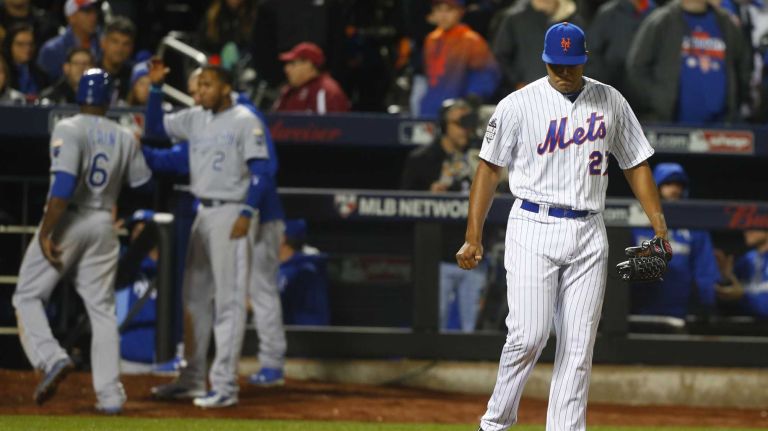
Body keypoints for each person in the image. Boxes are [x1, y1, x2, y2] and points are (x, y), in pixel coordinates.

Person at [456, 23, 669, 431]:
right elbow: (488, 170)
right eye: (556, 65)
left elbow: (636, 162)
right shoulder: (518, 104)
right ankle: (495, 423)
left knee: (577, 349)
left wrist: (659, 224)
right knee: (529, 335)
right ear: (545, 59)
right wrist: (473, 235)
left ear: (584, 60)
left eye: (571, 65)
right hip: (534, 224)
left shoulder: (611, 100)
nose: (564, 73)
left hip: (589, 230)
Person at [12, 68, 152, 413]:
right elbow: (142, 184)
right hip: (104, 221)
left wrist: (46, 232)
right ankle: (110, 396)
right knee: (102, 309)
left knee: (27, 295)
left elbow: (62, 188)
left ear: (80, 94)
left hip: (69, 218)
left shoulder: (68, 126)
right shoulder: (124, 134)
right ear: (108, 98)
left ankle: (51, 357)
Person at [145, 59, 271, 408]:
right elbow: (155, 129)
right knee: (195, 298)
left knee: (228, 302)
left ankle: (226, 385)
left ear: (225, 88)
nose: (199, 92)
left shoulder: (245, 120)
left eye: (207, 86)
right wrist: (155, 89)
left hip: (233, 210)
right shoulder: (195, 117)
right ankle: (192, 378)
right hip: (203, 212)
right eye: (198, 86)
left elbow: (261, 171)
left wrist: (247, 212)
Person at [402, 98, 484, 332]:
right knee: (431, 326)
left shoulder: (481, 159)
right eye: (460, 123)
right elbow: (401, 203)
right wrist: (429, 194)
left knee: (473, 329)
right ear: (443, 126)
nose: (465, 130)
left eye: (469, 124)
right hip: (435, 257)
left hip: (474, 255)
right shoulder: (422, 158)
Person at [626, 0, 751, 122]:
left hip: (721, 128)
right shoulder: (662, 21)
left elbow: (743, 68)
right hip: (671, 128)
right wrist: (658, 100)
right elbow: (637, 67)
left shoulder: (726, 23)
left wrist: (734, 103)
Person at [630, 163, 721, 320]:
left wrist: (706, 309)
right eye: (668, 183)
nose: (674, 189)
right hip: (636, 312)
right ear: (655, 186)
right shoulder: (635, 223)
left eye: (679, 185)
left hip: (680, 316)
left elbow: (705, 273)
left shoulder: (694, 228)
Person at [419, 0, 499, 118]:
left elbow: (486, 73)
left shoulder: (471, 40)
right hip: (430, 109)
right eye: (439, 10)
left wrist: (471, 98)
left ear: (460, 12)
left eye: (449, 10)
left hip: (458, 111)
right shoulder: (431, 40)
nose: (443, 15)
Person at [492, 0, 584, 93]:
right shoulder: (515, 18)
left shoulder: (574, 18)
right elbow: (501, 55)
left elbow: (585, 55)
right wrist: (517, 82)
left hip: (567, 91)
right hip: (528, 92)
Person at [586, 0, 656, 107]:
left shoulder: (657, 14)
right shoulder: (609, 13)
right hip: (612, 95)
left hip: (647, 98)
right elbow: (592, 52)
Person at [272, 42, 350, 114]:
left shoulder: (325, 90)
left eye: (293, 64)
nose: (287, 69)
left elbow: (332, 126)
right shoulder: (288, 91)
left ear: (309, 65)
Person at [278, 219, 330, 326]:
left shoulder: (300, 268)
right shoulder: (303, 262)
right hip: (295, 327)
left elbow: (271, 302)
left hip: (305, 332)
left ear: (283, 238)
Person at [37, 0, 101, 82]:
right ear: (72, 17)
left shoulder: (103, 44)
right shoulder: (52, 50)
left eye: (95, 11)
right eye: (87, 11)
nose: (93, 17)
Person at [716, 229, 768, 318]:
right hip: (745, 326)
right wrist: (726, 279)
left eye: (754, 226)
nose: (747, 231)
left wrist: (742, 296)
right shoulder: (747, 259)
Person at [3, 23, 47, 98]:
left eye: (30, 44)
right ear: (9, 45)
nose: (27, 48)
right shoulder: (3, 71)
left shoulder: (40, 73)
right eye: (20, 44)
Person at [98, 17, 136, 103]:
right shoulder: (91, 72)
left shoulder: (134, 76)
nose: (120, 49)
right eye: (114, 41)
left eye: (126, 44)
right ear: (103, 43)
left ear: (132, 48)